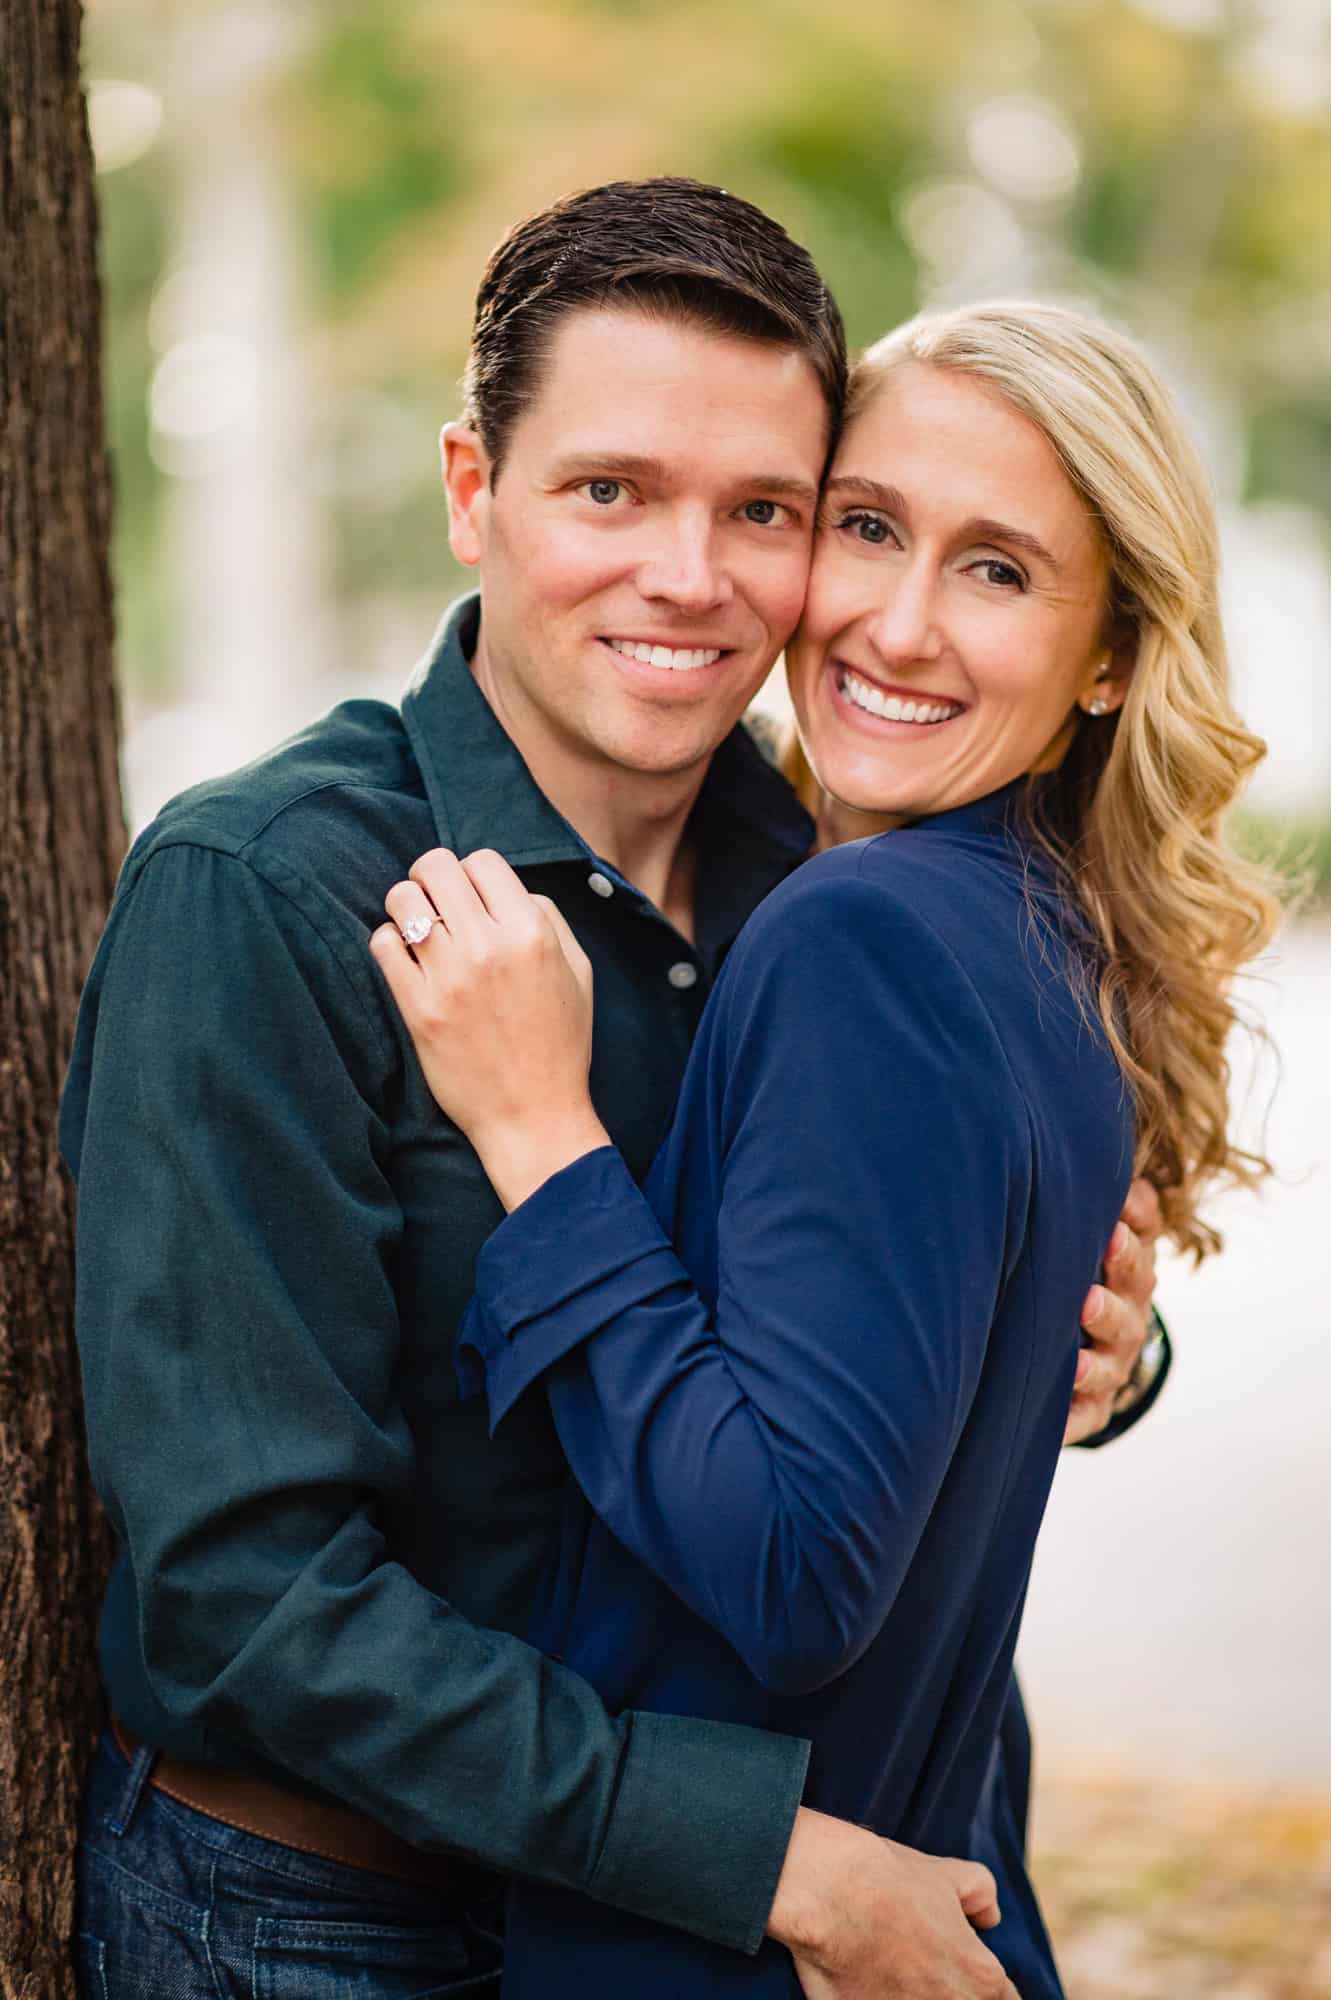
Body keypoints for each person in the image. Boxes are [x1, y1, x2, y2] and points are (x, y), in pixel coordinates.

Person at [63, 183, 1162, 2000]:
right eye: (608, 492)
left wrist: (1094, 1340)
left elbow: (835, 1389)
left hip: (691, 1925)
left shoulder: (820, 878)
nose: (689, 575)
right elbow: (242, 1602)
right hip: (328, 1920)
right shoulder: (271, 893)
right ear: (472, 490)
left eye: (765, 512)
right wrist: (756, 1854)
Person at [372, 298, 1281, 1998]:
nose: (900, 623)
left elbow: (794, 1575)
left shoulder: (862, 933)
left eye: (998, 569)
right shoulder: (1032, 926)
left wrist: (543, 1137)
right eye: (866, 528)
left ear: (1109, 656)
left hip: (746, 1942)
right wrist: (1103, 1347)